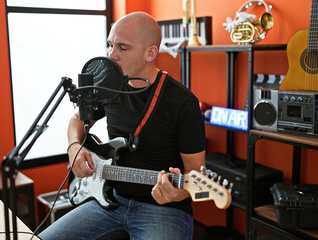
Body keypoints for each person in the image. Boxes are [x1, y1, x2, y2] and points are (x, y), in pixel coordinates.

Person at [39, 11, 206, 240]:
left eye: (122, 48)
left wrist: (177, 194)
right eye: (110, 45)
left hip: (163, 210)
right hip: (109, 201)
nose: (111, 55)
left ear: (150, 53)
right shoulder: (108, 86)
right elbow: (76, 120)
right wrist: (74, 148)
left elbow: (196, 174)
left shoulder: (183, 102)